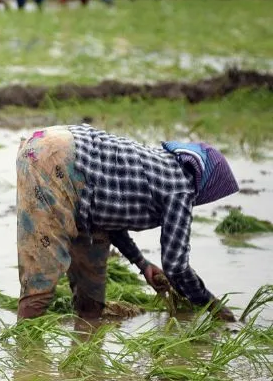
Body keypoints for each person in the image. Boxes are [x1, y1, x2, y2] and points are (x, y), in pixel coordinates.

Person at [15, 125, 239, 322]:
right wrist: (213, 306)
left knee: (91, 300)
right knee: (42, 273)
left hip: (70, 163)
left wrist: (143, 265)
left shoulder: (160, 166)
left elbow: (112, 218)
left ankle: (85, 350)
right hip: (55, 158)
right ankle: (26, 357)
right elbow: (176, 267)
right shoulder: (181, 189)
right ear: (207, 185)